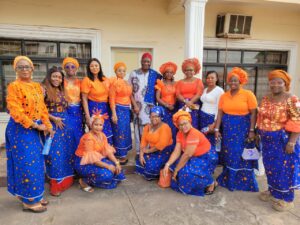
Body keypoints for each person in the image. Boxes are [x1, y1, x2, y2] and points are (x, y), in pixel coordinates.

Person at [6, 56, 54, 213]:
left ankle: (36, 195)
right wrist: (35, 125)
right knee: (26, 164)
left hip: (36, 129)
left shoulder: (36, 87)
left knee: (38, 164)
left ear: (32, 68)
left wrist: (47, 125)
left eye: (27, 67)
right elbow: (15, 111)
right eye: (20, 67)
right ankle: (29, 201)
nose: (24, 69)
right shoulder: (14, 86)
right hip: (21, 130)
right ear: (16, 70)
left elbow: (42, 108)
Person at [257, 70, 300, 211]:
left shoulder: (291, 99)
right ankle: (273, 191)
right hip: (267, 139)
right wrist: (258, 133)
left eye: (279, 82)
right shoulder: (266, 98)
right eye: (272, 82)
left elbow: (297, 120)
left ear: (285, 84)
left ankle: (287, 199)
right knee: (270, 167)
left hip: (283, 140)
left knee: (284, 169)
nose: (275, 85)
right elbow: (261, 117)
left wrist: (291, 142)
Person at [214, 67, 258, 192]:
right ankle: (229, 178)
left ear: (241, 81)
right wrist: (217, 129)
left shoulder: (248, 94)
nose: (233, 83)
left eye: (236, 81)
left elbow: (254, 114)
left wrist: (251, 130)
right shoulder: (224, 96)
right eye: (231, 80)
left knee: (240, 153)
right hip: (227, 128)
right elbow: (220, 113)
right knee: (228, 152)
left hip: (243, 128)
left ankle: (242, 181)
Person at [163, 111, 214, 196]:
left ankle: (211, 182)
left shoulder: (193, 133)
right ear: (178, 126)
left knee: (186, 172)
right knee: (177, 168)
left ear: (190, 122)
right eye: (180, 125)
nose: (183, 127)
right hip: (193, 156)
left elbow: (187, 155)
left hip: (206, 157)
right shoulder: (180, 133)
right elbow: (177, 151)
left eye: (185, 123)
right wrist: (167, 164)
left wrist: (176, 170)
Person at [74, 111, 125, 191]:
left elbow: (108, 152)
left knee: (117, 170)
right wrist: (108, 166)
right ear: (91, 125)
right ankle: (84, 181)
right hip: (83, 163)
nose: (98, 127)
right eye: (96, 125)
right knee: (107, 175)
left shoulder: (102, 135)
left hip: (97, 159)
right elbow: (92, 160)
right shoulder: (88, 138)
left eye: (100, 125)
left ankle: (100, 179)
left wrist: (116, 163)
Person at [42, 66, 74, 197]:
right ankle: (55, 184)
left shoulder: (61, 90)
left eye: (60, 77)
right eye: (55, 76)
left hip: (65, 125)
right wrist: (54, 118)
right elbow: (40, 109)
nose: (57, 79)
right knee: (55, 154)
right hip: (53, 125)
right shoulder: (43, 89)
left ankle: (66, 181)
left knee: (66, 152)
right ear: (49, 77)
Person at [128, 53, 161, 156]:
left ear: (150, 63)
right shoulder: (133, 73)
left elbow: (162, 87)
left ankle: (147, 151)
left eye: (148, 61)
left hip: (149, 107)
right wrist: (134, 105)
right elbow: (129, 92)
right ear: (141, 61)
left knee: (149, 129)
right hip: (137, 106)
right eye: (144, 61)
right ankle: (139, 152)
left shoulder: (155, 75)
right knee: (138, 130)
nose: (146, 63)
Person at [199, 71, 224, 193]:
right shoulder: (205, 89)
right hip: (202, 118)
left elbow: (220, 109)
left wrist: (214, 125)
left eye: (212, 78)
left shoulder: (219, 91)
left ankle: (211, 173)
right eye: (208, 77)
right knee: (203, 145)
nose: (209, 80)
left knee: (211, 146)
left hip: (211, 120)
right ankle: (206, 169)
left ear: (217, 78)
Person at [135, 106, 173, 180]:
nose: (153, 118)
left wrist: (148, 151)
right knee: (139, 161)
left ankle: (161, 169)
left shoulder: (165, 127)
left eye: (156, 116)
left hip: (163, 152)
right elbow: (143, 142)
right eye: (152, 116)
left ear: (161, 117)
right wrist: (141, 155)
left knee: (150, 167)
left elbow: (161, 145)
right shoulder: (147, 127)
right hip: (152, 150)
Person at [81, 58, 113, 144]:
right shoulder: (87, 80)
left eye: (96, 65)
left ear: (99, 67)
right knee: (96, 130)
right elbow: (84, 99)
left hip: (106, 108)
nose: (94, 68)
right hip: (94, 108)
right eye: (92, 66)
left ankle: (106, 152)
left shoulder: (104, 79)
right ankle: (97, 154)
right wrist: (87, 116)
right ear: (89, 68)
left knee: (106, 130)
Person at [109, 62, 133, 164]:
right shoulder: (114, 83)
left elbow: (129, 96)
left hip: (126, 109)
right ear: (115, 71)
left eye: (123, 71)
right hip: (118, 109)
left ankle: (123, 153)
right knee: (120, 132)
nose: (122, 72)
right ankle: (120, 155)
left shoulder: (126, 83)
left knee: (125, 131)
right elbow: (112, 99)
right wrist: (114, 113)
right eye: (119, 70)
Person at [62, 57, 85, 148]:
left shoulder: (80, 82)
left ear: (76, 68)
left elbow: (83, 98)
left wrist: (84, 114)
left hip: (78, 111)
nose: (70, 69)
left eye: (72, 67)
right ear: (64, 68)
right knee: (66, 132)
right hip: (65, 111)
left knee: (78, 133)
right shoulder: (61, 81)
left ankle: (77, 156)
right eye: (67, 67)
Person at [176, 58, 204, 129]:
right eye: (187, 70)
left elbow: (199, 94)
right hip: (183, 105)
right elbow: (178, 94)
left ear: (194, 71)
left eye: (191, 70)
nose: (189, 71)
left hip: (194, 105)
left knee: (194, 125)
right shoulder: (179, 82)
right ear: (184, 71)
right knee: (182, 124)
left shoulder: (198, 81)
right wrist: (186, 102)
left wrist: (190, 102)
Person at [155, 62, 178, 145]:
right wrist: (166, 105)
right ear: (164, 73)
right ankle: (163, 148)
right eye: (167, 72)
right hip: (164, 109)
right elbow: (158, 98)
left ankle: (172, 148)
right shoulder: (160, 83)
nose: (169, 74)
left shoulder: (176, 84)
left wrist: (173, 105)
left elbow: (177, 96)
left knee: (173, 128)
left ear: (173, 73)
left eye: (171, 72)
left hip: (174, 109)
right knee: (163, 129)